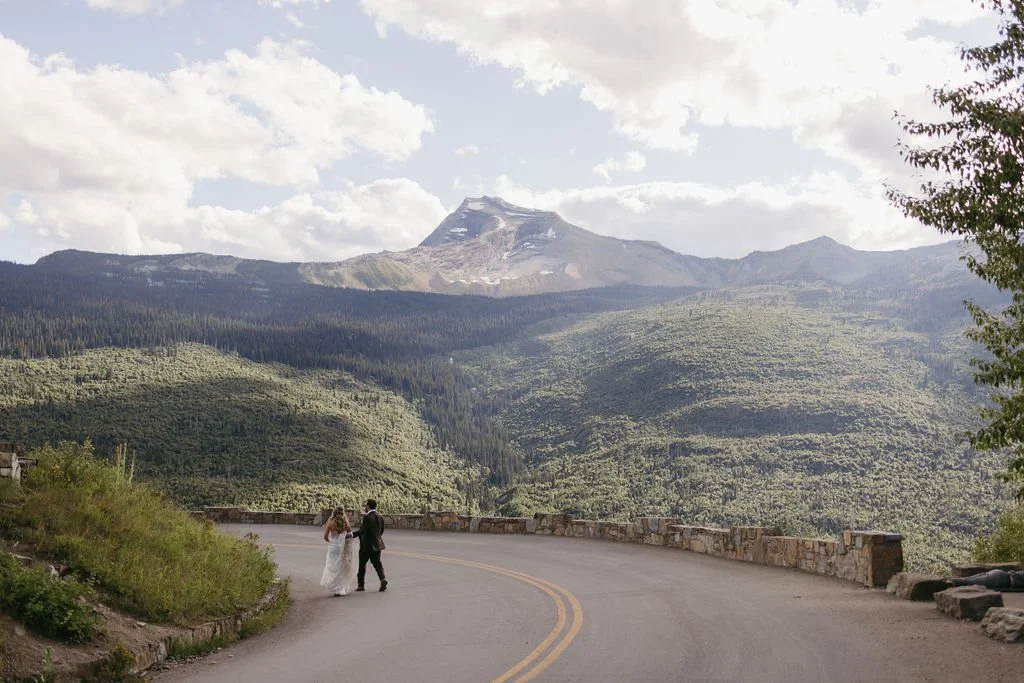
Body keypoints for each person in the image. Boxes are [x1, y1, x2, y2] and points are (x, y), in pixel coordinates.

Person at [320, 506, 357, 597]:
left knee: (332, 566)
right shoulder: (345, 522)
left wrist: (331, 542)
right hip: (342, 546)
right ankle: (341, 588)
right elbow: (349, 533)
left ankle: (335, 587)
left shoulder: (330, 522)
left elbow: (325, 537)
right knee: (341, 566)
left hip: (333, 547)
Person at [352, 498, 387, 592]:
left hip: (366, 545)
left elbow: (363, 531)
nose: (365, 507)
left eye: (366, 505)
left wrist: (352, 535)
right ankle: (383, 578)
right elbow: (381, 531)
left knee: (362, 565)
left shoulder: (367, 517)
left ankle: (361, 585)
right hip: (377, 544)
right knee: (377, 563)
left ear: (368, 506)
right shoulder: (380, 517)